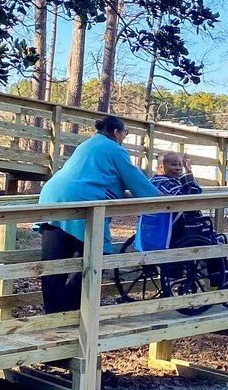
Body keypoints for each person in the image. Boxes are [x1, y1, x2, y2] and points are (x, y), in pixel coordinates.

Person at [36, 116, 158, 312]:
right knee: (97, 258)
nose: (124, 137)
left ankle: (52, 314)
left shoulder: (87, 144)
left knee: (53, 265)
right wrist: (160, 198)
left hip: (52, 197)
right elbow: (135, 180)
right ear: (117, 133)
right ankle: (69, 307)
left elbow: (94, 175)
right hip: (82, 202)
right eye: (125, 133)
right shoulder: (115, 149)